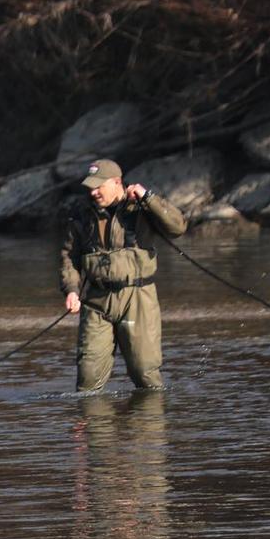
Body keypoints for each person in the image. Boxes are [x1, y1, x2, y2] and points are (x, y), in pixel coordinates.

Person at [60, 158, 187, 391]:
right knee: (88, 379)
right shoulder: (81, 214)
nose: (94, 192)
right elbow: (70, 256)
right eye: (91, 187)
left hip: (137, 298)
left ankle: (147, 425)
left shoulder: (140, 207)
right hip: (96, 301)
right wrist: (71, 290)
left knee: (144, 373)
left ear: (117, 182)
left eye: (99, 186)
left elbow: (177, 227)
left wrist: (148, 197)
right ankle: (91, 426)